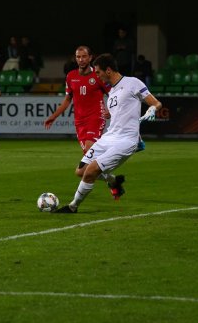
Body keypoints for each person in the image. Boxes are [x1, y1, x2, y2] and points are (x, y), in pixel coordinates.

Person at [55, 53, 162, 213]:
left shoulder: (132, 83)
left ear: (109, 70)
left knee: (91, 171)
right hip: (109, 137)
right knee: (80, 171)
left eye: (98, 72)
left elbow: (156, 103)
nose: (96, 76)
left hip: (125, 141)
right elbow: (122, 111)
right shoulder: (111, 92)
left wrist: (153, 109)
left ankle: (73, 206)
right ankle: (114, 181)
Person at [44, 46, 111, 154]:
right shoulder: (71, 76)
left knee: (89, 149)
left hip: (96, 117)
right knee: (88, 153)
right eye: (78, 57)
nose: (81, 59)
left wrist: (111, 109)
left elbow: (113, 93)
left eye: (84, 56)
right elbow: (67, 100)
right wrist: (53, 116)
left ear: (90, 58)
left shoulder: (98, 75)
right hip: (79, 121)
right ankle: (105, 166)